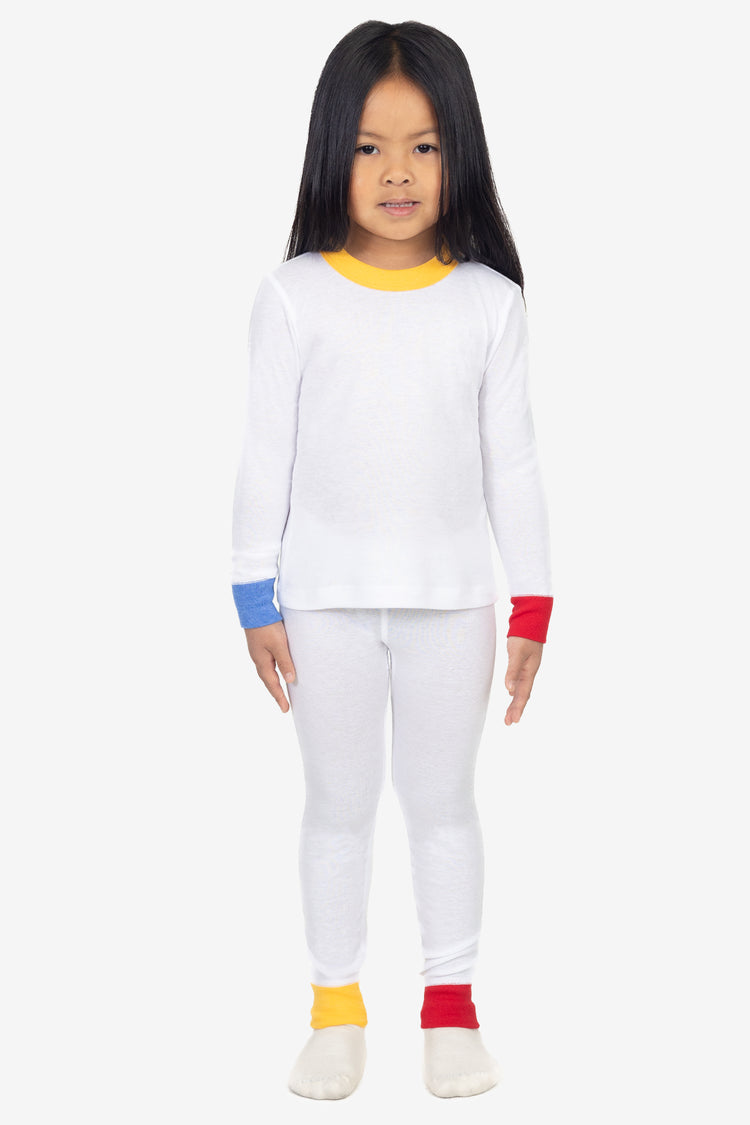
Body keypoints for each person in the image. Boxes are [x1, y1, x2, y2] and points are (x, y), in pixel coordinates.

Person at [230, 20, 554, 1101]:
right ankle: (335, 1011)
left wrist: (533, 606)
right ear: (333, 149)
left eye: (423, 145)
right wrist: (253, 594)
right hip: (319, 606)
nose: (398, 172)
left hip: (452, 607)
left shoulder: (490, 304)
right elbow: (265, 455)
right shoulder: (293, 296)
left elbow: (514, 464)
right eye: (370, 147)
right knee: (336, 806)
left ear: (460, 150)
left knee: (444, 804)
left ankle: (451, 1011)